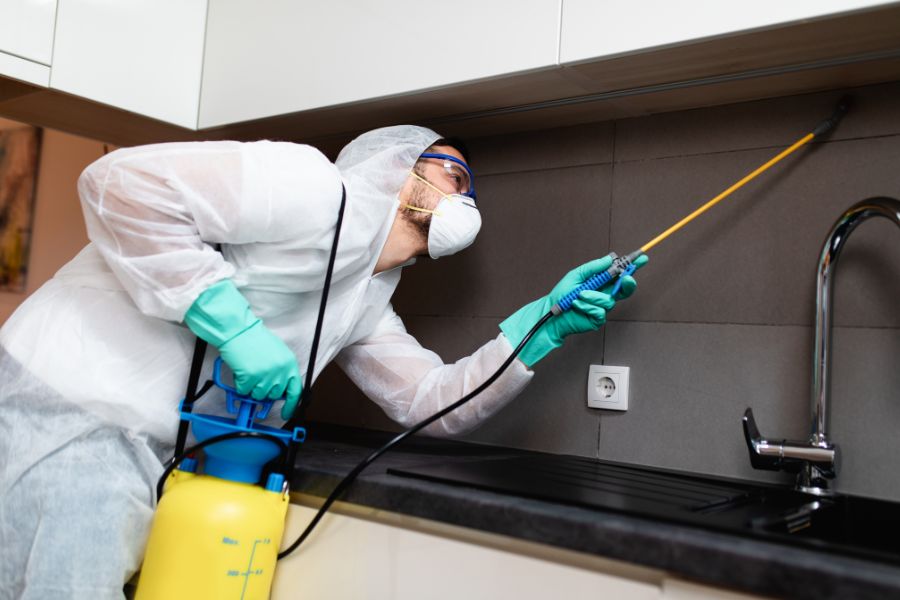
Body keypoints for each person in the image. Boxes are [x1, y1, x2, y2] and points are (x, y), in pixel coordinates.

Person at [0, 125, 645, 599]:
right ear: (400, 166)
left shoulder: (363, 297)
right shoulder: (311, 187)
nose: (468, 200)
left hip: (155, 453)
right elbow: (119, 185)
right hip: (68, 406)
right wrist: (235, 328)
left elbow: (430, 401)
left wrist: (543, 324)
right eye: (456, 177)